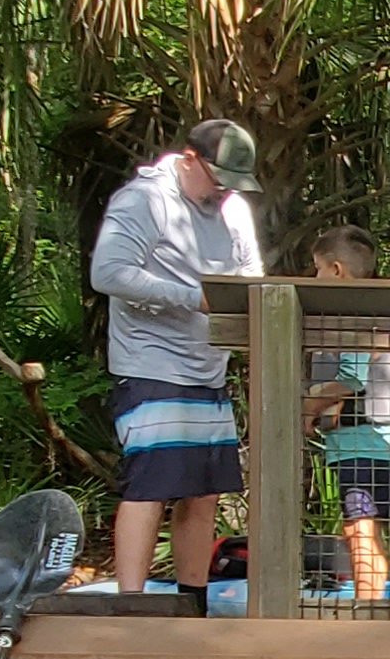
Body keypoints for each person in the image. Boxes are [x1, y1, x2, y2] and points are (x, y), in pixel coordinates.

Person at [85, 119, 263, 594]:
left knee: (204, 493)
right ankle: (131, 603)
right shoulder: (143, 200)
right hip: (152, 365)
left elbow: (250, 273)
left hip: (209, 368)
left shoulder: (234, 209)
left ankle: (193, 600)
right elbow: (108, 273)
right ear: (189, 159)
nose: (222, 190)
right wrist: (191, 296)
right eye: (216, 178)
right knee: (151, 486)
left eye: (232, 183)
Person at [301, 226, 390, 599]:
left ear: (335, 270)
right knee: (362, 527)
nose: (314, 278)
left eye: (316, 269)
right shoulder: (361, 311)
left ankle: (368, 608)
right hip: (361, 441)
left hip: (365, 440)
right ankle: (372, 601)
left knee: (359, 526)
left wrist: (307, 408)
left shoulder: (357, 313)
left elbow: (352, 377)